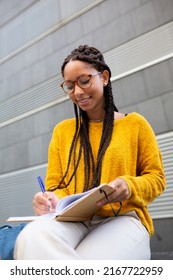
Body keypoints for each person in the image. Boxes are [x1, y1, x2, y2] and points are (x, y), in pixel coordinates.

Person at [14, 45, 166, 260]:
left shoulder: (135, 124)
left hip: (122, 218)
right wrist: (51, 199)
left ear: (104, 77)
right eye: (69, 86)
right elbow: (56, 185)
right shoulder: (63, 132)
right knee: (31, 237)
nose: (77, 92)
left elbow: (157, 179)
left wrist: (129, 186)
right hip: (73, 220)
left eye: (84, 81)